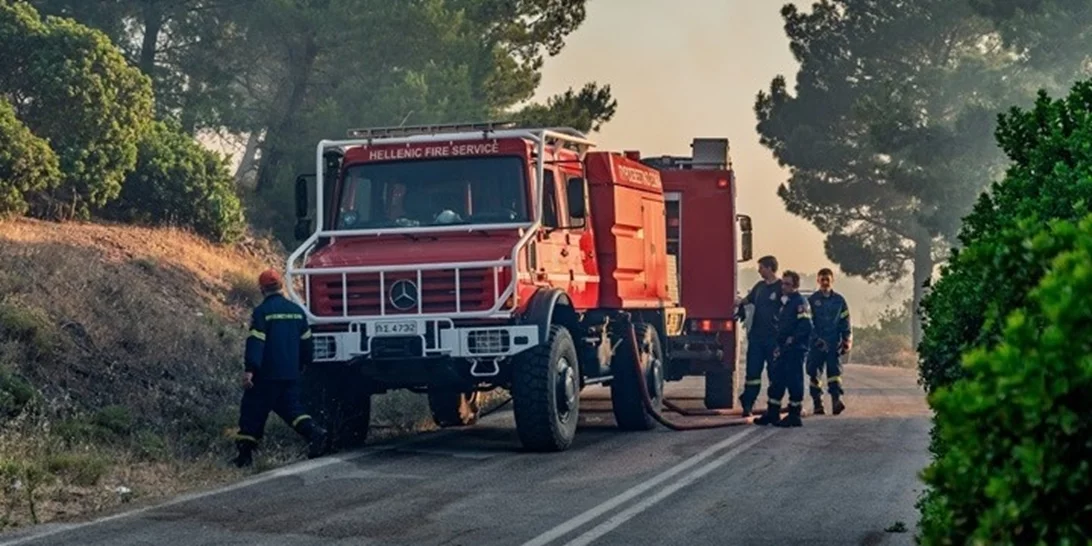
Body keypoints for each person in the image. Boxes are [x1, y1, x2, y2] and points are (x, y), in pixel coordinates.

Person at [233, 269, 327, 468]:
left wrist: (250, 369)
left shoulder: (262, 313)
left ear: (261, 289)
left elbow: (256, 342)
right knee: (292, 410)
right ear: (281, 286)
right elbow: (307, 344)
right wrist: (303, 365)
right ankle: (315, 433)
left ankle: (244, 456)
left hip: (266, 375)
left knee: (252, 412)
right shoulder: (297, 312)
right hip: (291, 374)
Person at [754, 270, 812, 428]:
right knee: (777, 380)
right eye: (783, 283)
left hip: (795, 349)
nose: (783, 287)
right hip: (782, 348)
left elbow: (806, 326)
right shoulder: (784, 303)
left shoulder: (799, 303)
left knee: (794, 381)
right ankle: (773, 412)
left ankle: (794, 415)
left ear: (795, 286)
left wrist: (792, 339)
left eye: (787, 284)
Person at [735, 255, 783, 417]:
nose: (759, 270)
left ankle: (773, 406)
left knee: (774, 373)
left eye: (761, 267)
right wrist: (737, 303)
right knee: (752, 374)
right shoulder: (759, 287)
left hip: (774, 339)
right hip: (756, 338)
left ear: (770, 268)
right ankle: (747, 404)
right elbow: (747, 301)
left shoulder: (782, 287)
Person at [806, 268, 852, 415]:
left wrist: (846, 340)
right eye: (822, 279)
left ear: (832, 280)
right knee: (814, 374)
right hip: (817, 345)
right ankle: (817, 403)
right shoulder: (812, 300)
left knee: (835, 374)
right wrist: (815, 340)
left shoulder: (840, 301)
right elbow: (808, 324)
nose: (825, 282)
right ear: (818, 280)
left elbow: (845, 321)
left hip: (834, 344)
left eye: (828, 279)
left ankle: (836, 401)